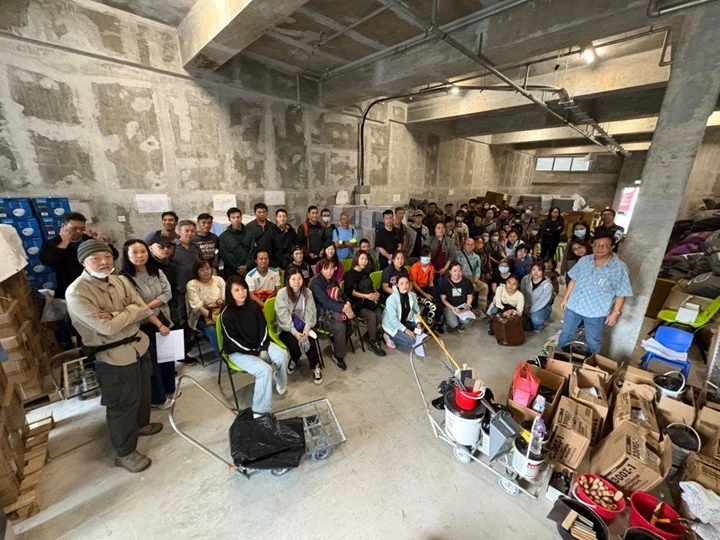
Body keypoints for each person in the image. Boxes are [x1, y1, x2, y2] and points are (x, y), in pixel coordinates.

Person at [65, 240, 160, 473]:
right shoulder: (77, 292)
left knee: (142, 391)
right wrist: (130, 311)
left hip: (138, 346)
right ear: (83, 262)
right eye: (96, 258)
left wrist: (117, 314)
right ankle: (125, 453)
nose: (104, 262)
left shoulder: (120, 280)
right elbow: (106, 328)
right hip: (112, 355)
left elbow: (144, 309)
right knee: (121, 403)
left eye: (107, 256)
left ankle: (141, 425)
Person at [120, 239, 175, 410]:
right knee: (152, 363)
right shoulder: (124, 279)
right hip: (144, 325)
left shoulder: (156, 271)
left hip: (164, 318)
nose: (140, 255)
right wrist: (150, 310)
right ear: (127, 255)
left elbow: (168, 293)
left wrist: (146, 306)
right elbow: (134, 306)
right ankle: (158, 399)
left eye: (143, 251)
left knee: (167, 358)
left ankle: (170, 391)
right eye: (134, 252)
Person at [220, 277, 289, 414]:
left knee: (282, 355)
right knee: (264, 371)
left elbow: (263, 328)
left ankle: (281, 381)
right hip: (239, 352)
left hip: (259, 345)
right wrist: (255, 352)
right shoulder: (226, 315)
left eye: (243, 288)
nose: (242, 293)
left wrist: (262, 348)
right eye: (237, 290)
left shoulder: (253, 305)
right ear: (230, 293)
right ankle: (260, 411)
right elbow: (233, 341)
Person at [557, 234, 633, 354]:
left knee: (592, 340)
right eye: (596, 244)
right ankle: (558, 359)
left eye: (604, 245)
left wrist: (615, 313)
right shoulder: (584, 260)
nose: (599, 248)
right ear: (592, 245)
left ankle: (588, 363)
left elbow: (621, 293)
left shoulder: (619, 268)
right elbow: (574, 280)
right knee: (566, 334)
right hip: (574, 305)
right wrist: (565, 298)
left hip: (596, 312)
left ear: (612, 247)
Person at [39, 211, 118, 300]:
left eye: (82, 228)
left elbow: (114, 255)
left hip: (96, 286)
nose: (78, 231)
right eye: (74, 228)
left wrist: (100, 241)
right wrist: (64, 243)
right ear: (63, 226)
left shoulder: (89, 240)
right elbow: (48, 262)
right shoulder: (51, 244)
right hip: (69, 288)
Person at [275, 267, 323, 384]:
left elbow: (311, 311)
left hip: (303, 324)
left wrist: (307, 328)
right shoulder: (282, 294)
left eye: (300, 278)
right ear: (288, 280)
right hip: (287, 328)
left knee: (310, 341)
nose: (297, 282)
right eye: (293, 279)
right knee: (294, 344)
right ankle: (294, 359)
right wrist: (295, 333)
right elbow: (283, 316)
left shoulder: (307, 292)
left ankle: (315, 367)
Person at [310, 259, 356, 371]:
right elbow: (325, 302)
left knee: (354, 322)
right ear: (321, 270)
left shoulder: (333, 280)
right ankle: (338, 356)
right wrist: (344, 308)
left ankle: (337, 342)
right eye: (326, 268)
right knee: (340, 327)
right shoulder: (316, 283)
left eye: (332, 268)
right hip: (322, 316)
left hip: (336, 312)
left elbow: (342, 294)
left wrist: (348, 303)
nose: (330, 271)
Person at [170, 220, 202, 366]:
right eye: (186, 231)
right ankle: (181, 353)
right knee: (181, 320)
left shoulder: (195, 246)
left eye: (192, 231)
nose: (190, 233)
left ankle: (191, 343)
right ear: (179, 232)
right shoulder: (172, 247)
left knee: (194, 316)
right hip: (180, 290)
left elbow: (200, 263)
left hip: (195, 288)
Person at [343, 251, 386, 357]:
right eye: (362, 259)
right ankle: (372, 343)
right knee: (371, 316)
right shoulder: (349, 274)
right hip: (357, 304)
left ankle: (370, 334)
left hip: (368, 301)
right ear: (356, 259)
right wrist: (366, 296)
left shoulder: (365, 272)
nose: (364, 261)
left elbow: (370, 286)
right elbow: (351, 292)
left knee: (379, 312)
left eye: (366, 259)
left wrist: (375, 293)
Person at [185, 260, 225, 356]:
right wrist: (214, 317)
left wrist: (221, 303)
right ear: (196, 272)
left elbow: (225, 298)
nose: (206, 271)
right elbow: (198, 306)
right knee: (213, 330)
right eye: (202, 270)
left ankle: (236, 351)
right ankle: (223, 355)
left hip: (221, 311)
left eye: (207, 268)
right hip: (201, 316)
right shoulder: (192, 284)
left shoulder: (219, 280)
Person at [382, 275, 421, 350]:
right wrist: (406, 330)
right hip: (392, 325)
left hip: (403, 321)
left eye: (407, 283)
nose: (405, 286)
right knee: (412, 341)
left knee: (420, 328)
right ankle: (388, 336)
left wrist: (418, 323)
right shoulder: (391, 299)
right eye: (401, 283)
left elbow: (416, 311)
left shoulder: (412, 295)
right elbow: (393, 321)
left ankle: (406, 333)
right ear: (397, 285)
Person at [409, 246, 441, 332]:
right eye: (425, 256)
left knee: (438, 302)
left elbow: (431, 282)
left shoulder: (431, 267)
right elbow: (413, 283)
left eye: (429, 256)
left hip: (427, 289)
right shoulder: (415, 267)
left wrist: (433, 291)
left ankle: (436, 323)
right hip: (417, 291)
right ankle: (429, 327)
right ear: (420, 257)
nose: (427, 258)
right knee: (432, 306)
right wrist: (425, 294)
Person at [218, 207, 255, 278]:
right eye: (233, 217)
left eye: (238, 217)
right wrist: (239, 269)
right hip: (231, 272)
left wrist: (246, 266)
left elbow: (252, 251)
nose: (236, 220)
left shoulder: (250, 234)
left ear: (241, 217)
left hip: (249, 271)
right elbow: (225, 256)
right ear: (229, 219)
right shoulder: (223, 237)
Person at [439, 261, 475, 333]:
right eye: (454, 271)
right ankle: (448, 319)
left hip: (462, 306)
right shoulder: (445, 282)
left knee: (467, 320)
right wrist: (453, 308)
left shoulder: (467, 282)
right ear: (450, 271)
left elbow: (469, 297)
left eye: (459, 271)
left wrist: (466, 306)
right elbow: (443, 299)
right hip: (450, 307)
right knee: (453, 324)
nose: (457, 273)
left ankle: (461, 324)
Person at [457, 237, 489, 315]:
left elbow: (478, 271)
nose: (469, 246)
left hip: (472, 279)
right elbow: (457, 270)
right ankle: (463, 310)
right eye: (467, 244)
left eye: (472, 244)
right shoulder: (458, 255)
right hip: (460, 279)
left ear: (474, 246)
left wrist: (475, 282)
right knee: (468, 289)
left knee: (484, 287)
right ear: (464, 245)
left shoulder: (476, 257)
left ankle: (481, 309)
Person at [521, 263, 554, 331]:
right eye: (534, 269)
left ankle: (538, 326)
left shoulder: (548, 285)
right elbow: (523, 294)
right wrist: (525, 308)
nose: (536, 272)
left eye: (539, 270)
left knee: (536, 319)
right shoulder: (525, 279)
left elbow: (542, 302)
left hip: (542, 307)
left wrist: (530, 311)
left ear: (543, 272)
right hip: (527, 306)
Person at [426, 221, 456, 286]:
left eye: (443, 228)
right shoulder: (429, 240)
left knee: (444, 286)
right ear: (434, 229)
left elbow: (452, 256)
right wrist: (431, 268)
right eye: (438, 228)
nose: (441, 230)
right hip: (430, 268)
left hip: (445, 269)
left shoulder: (449, 240)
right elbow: (425, 254)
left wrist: (445, 268)